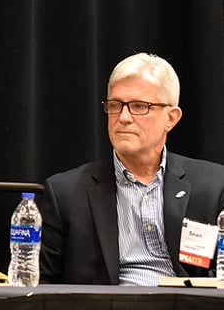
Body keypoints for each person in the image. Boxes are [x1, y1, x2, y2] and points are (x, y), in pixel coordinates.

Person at [39, 52, 224, 285]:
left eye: (139, 106)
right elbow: (40, 286)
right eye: (115, 105)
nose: (123, 117)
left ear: (171, 118)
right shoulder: (65, 192)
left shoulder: (214, 186)